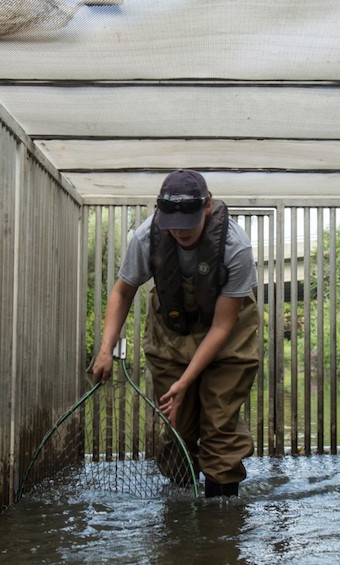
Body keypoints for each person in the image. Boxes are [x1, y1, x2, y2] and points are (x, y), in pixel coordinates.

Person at [91, 169, 260, 498]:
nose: (180, 232)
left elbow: (223, 326)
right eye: (173, 224)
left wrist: (186, 382)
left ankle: (219, 518)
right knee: (178, 427)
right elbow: (123, 291)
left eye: (189, 223)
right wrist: (105, 349)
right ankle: (182, 505)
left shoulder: (235, 247)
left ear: (207, 206)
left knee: (220, 425)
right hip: (171, 333)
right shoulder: (145, 237)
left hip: (227, 337)